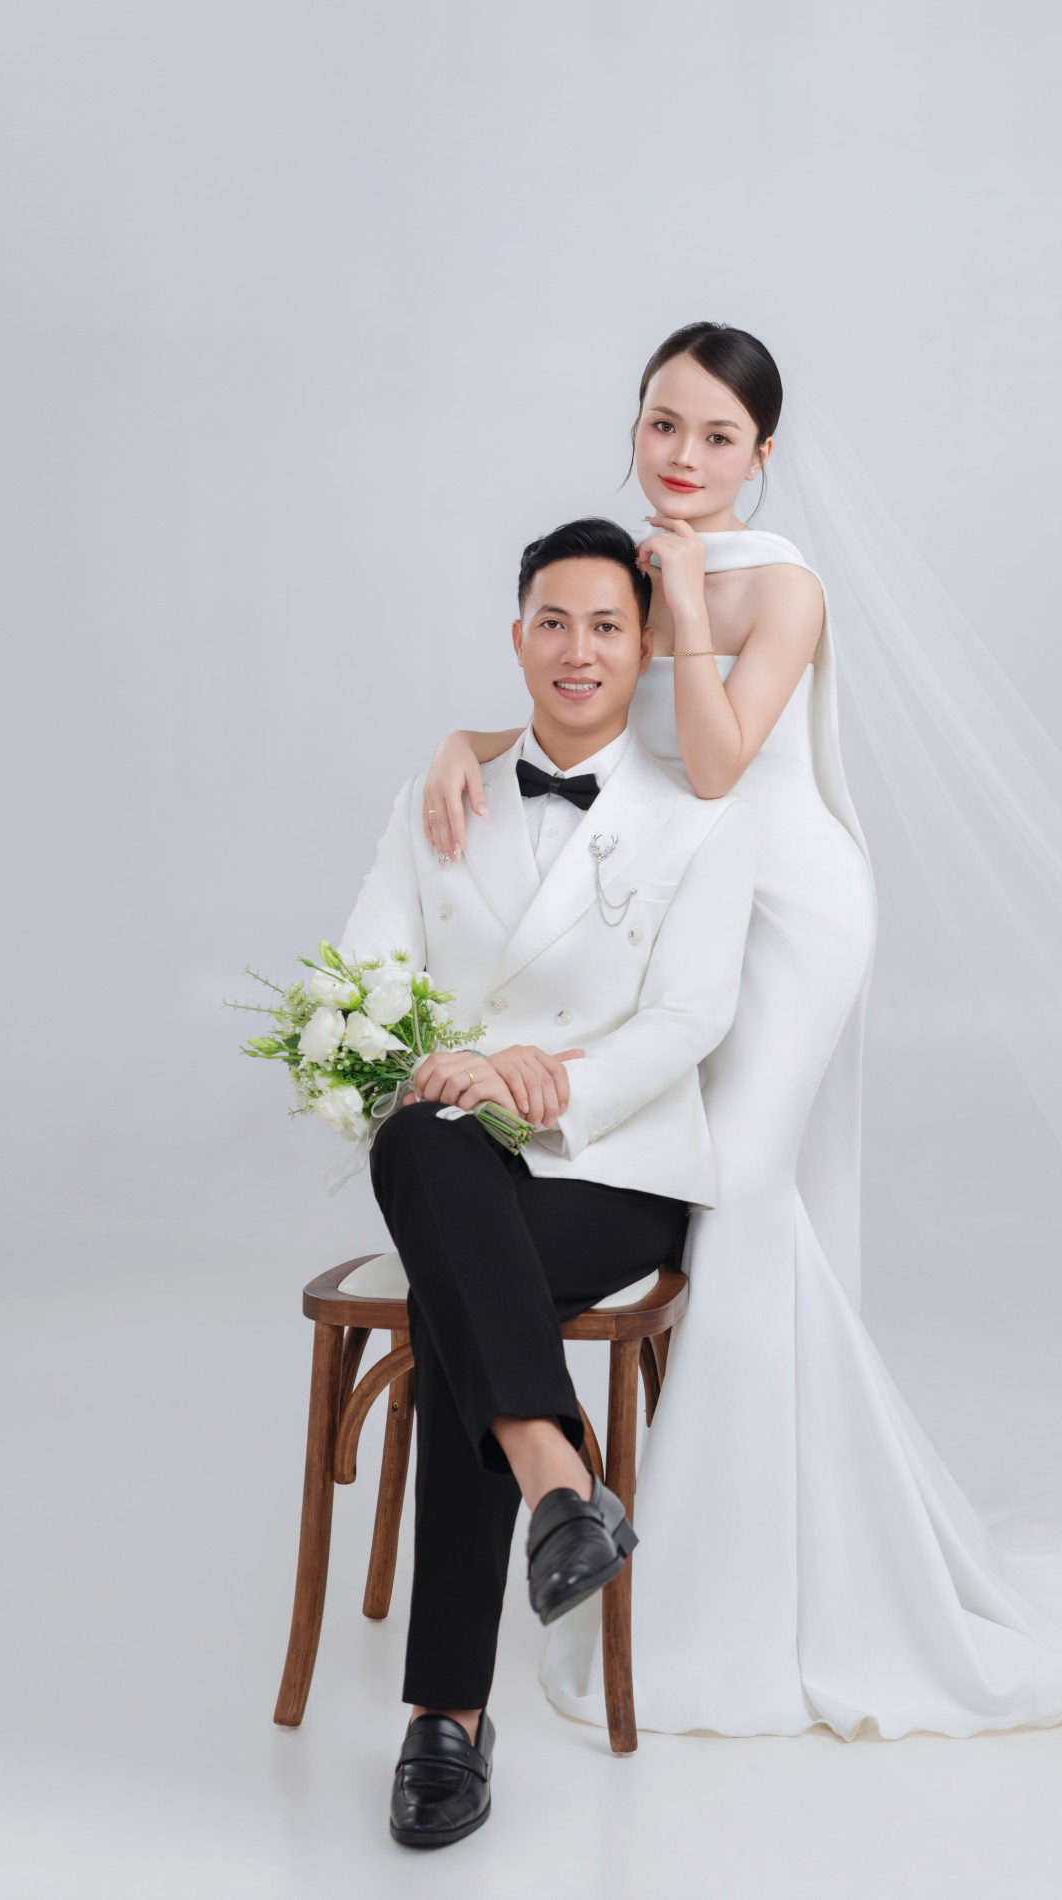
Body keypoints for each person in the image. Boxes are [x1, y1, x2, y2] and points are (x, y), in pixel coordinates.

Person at [420, 322, 1062, 1741]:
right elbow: (592, 718)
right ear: (635, 425)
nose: (683, 457)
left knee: (740, 1196)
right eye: (663, 424)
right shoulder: (624, 566)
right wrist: (467, 742)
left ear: (761, 455)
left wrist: (688, 595)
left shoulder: (780, 583)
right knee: (713, 1200)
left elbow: (717, 760)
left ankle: (743, 1589)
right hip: (683, 915)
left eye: (717, 437)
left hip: (791, 919)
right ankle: (651, 1522)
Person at [336, 514, 757, 1845]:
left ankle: (445, 1717)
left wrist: (546, 1080)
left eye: (607, 626)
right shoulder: (439, 797)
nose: (579, 650)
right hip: (454, 1156)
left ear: (645, 648)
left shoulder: (699, 818)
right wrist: (443, 1070)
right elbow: (364, 982)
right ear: (515, 639)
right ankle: (554, 1478)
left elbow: (690, 1018)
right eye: (554, 623)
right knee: (422, 1145)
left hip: (612, 1169)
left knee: (462, 1284)